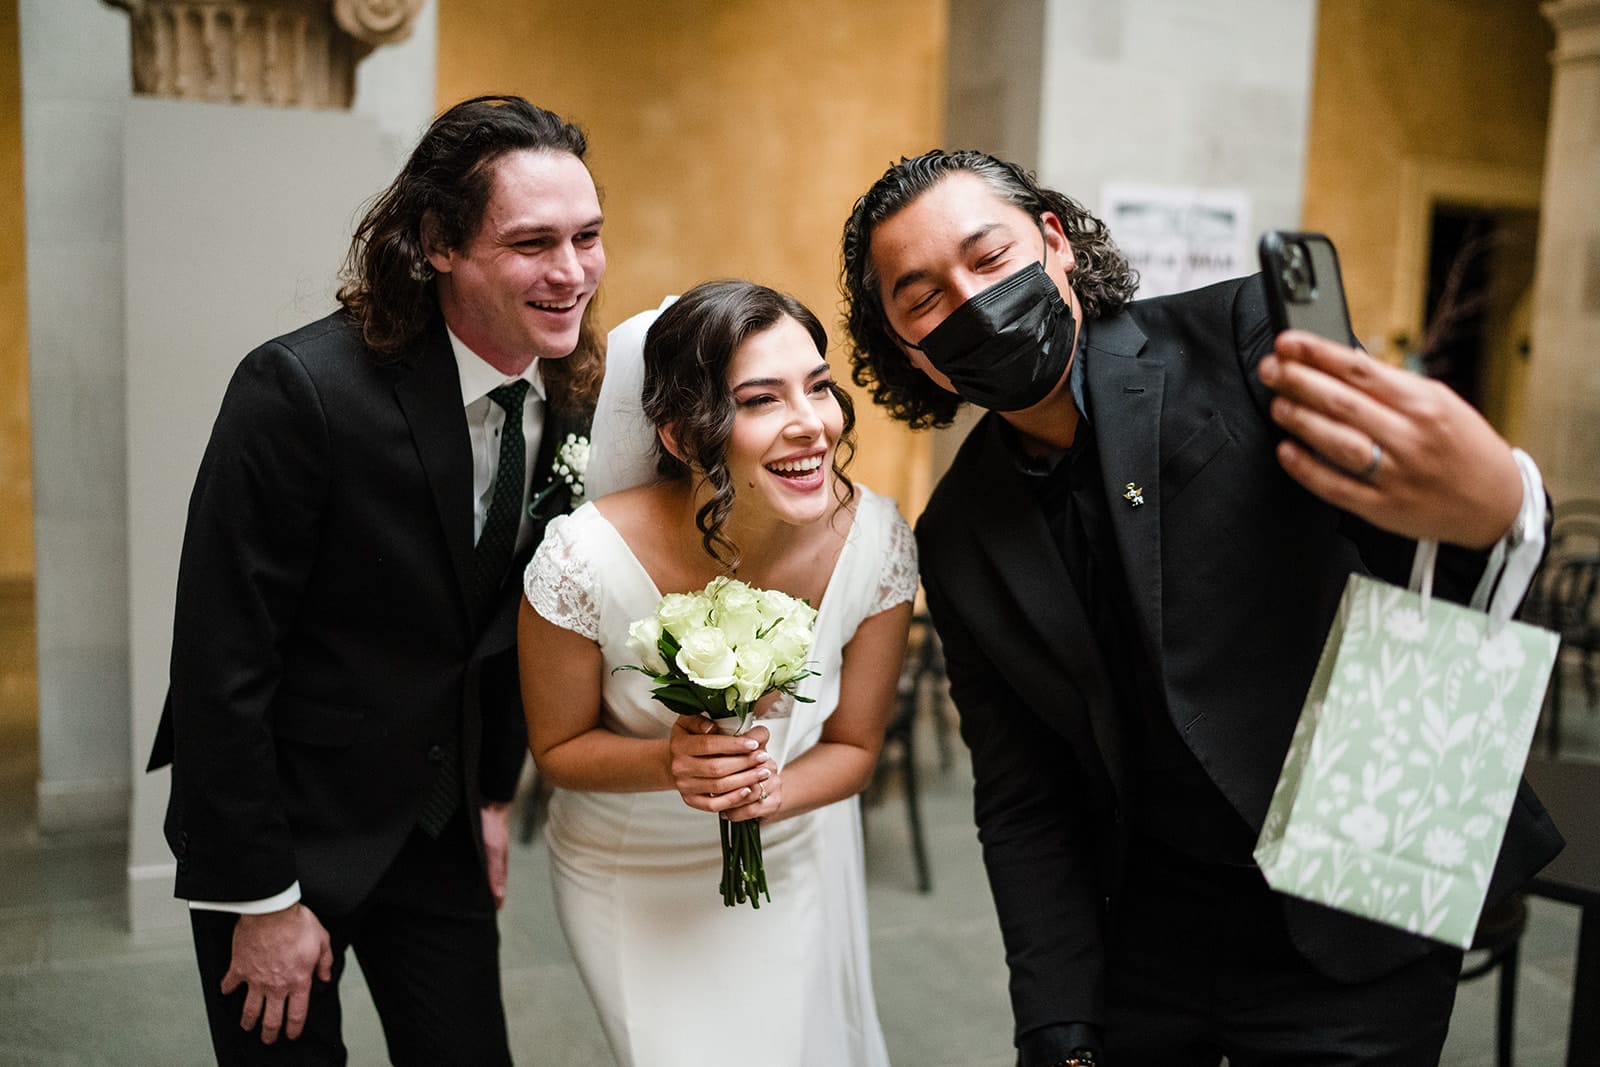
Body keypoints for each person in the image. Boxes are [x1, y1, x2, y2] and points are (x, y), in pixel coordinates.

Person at [838, 149, 1564, 1066]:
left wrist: (1493, 498)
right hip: (1149, 936)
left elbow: (1418, 560)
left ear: (1055, 242)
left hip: (1359, 880)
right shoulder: (957, 534)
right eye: (925, 299)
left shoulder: (1243, 332)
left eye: (990, 259)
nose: (974, 301)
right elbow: (1024, 794)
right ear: (910, 352)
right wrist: (1055, 1012)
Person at [146, 95, 605, 1064]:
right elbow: (219, 660)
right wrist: (261, 897)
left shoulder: (569, 393)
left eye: (588, 236)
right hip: (287, 827)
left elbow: (504, 619)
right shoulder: (299, 390)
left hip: (434, 824)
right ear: (439, 241)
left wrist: (488, 796)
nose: (571, 273)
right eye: (533, 243)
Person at [519, 280, 916, 1067]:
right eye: (762, 399)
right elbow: (558, 750)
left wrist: (772, 791)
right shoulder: (582, 559)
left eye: (818, 385)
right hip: (628, 871)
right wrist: (670, 759)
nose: (812, 424)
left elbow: (855, 746)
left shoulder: (878, 542)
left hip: (791, 855)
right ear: (677, 432)